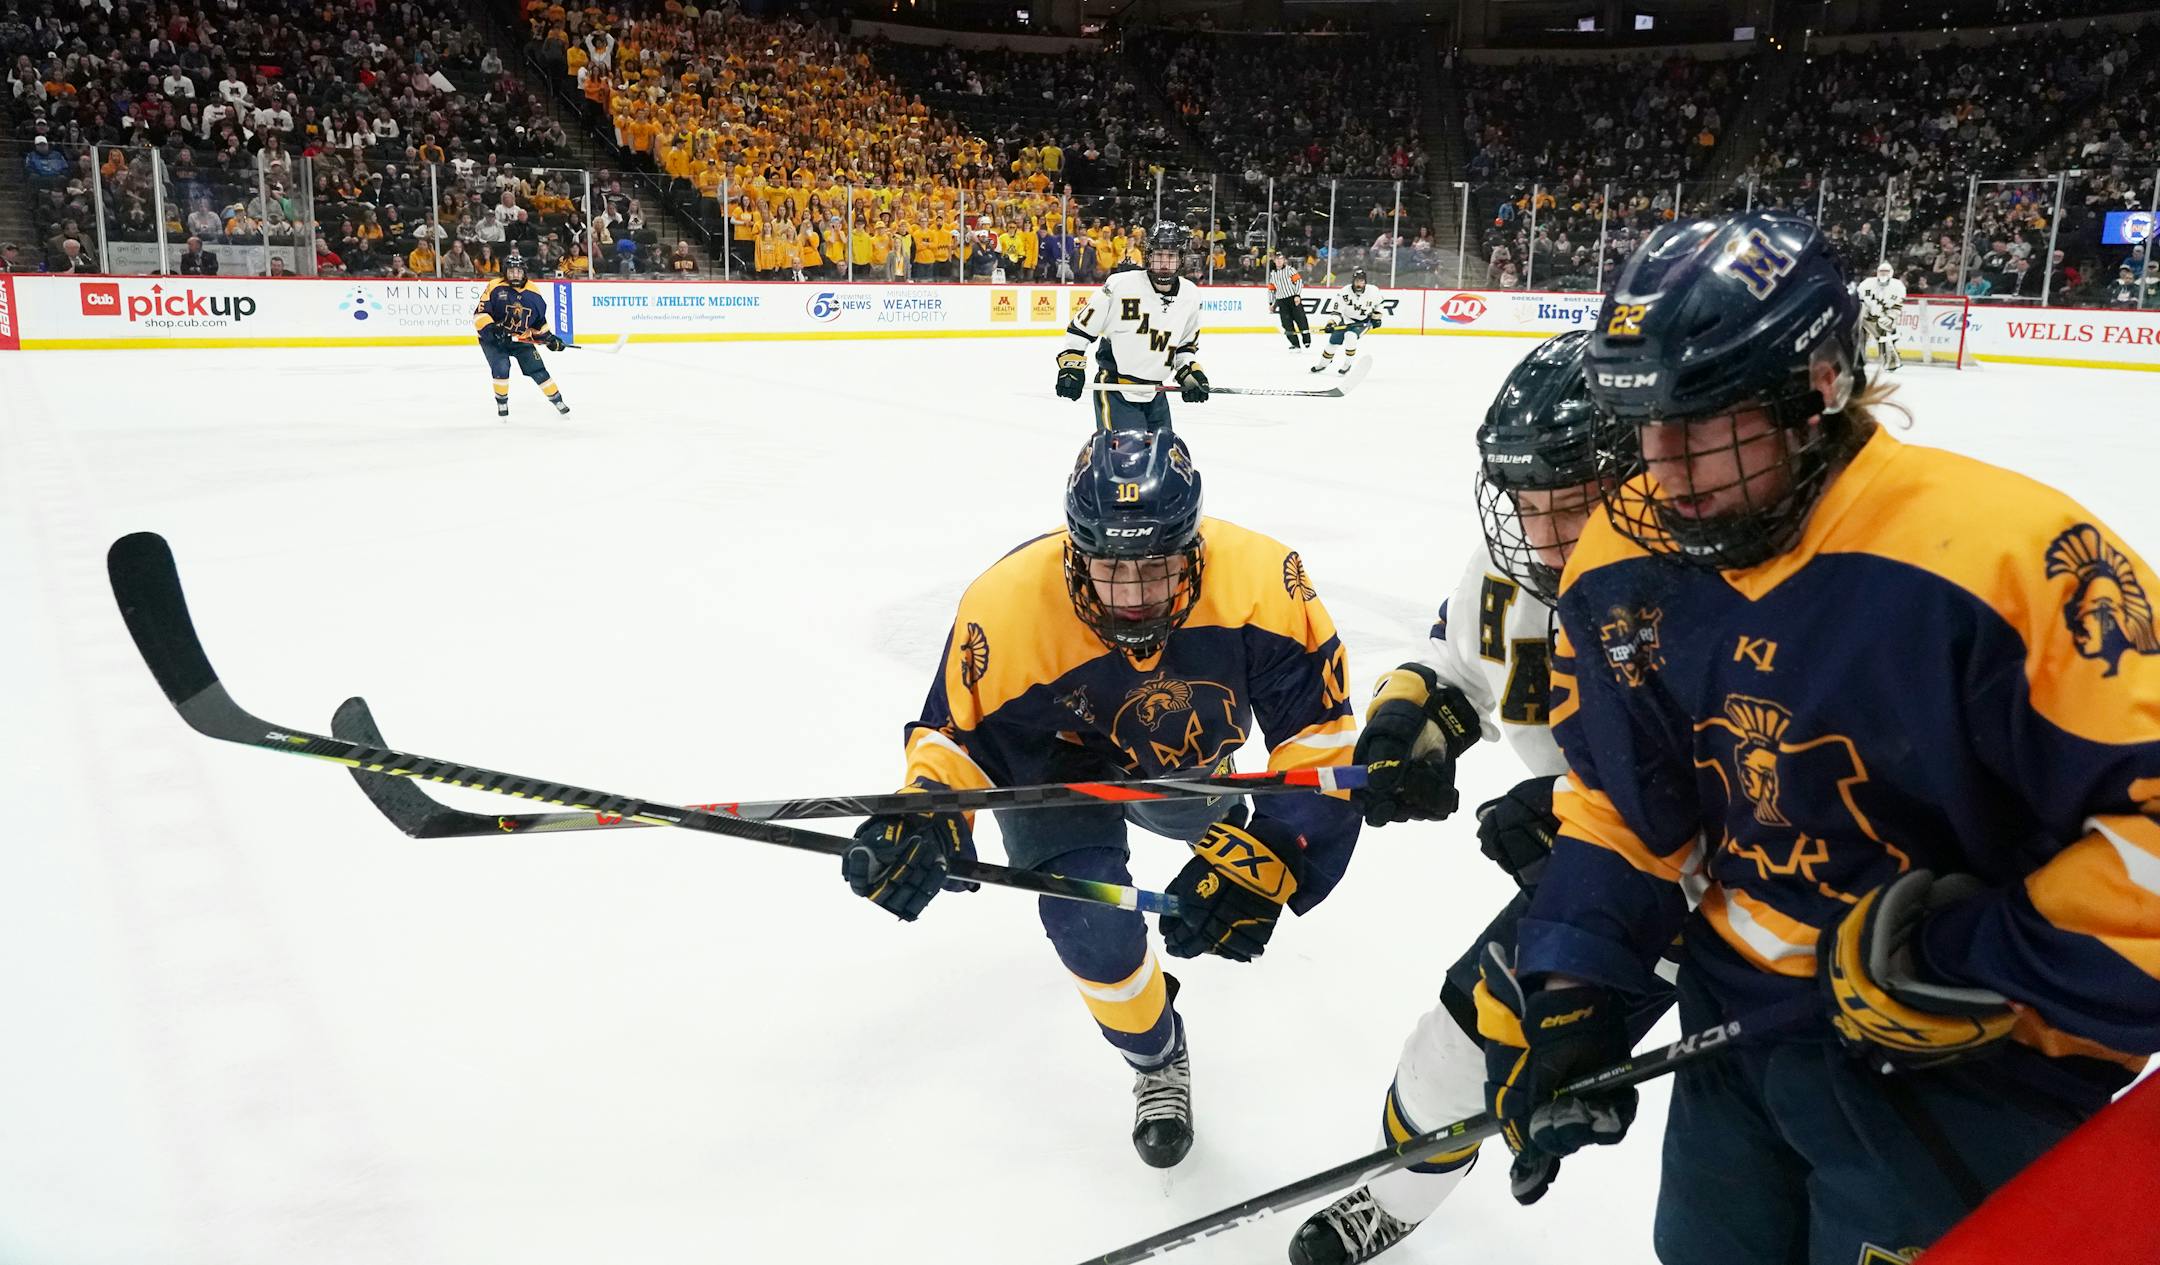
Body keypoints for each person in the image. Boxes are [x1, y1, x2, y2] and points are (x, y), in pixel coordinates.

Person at [1479, 209, 2160, 1264]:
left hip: (1973, 1069)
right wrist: (1578, 988)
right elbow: (1624, 800)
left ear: (1816, 388)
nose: (1666, 469)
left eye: (1702, 423)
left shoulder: (2010, 559)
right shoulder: (1622, 558)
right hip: (1735, 1030)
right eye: (1643, 429)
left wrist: (1971, 959)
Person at [841, 428, 1361, 1169]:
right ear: (1074, 550)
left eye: (1157, 568)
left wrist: (1279, 847)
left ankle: (1222, 827)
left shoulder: (1264, 580)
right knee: (1086, 923)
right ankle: (1157, 1059)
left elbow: (1321, 737)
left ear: (1195, 546)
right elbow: (953, 737)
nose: (1134, 595)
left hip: (1183, 763)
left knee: (1208, 823)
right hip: (1058, 769)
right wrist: (925, 814)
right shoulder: (1006, 605)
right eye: (1111, 567)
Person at [1286, 331, 1673, 1264]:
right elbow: (1459, 666)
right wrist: (1411, 720)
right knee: (1456, 1048)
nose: (1541, 536)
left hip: (1746, 895)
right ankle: (1395, 1193)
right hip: (1598, 875)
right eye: (1526, 505)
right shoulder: (1512, 572)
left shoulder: (1713, 586)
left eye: (1571, 506)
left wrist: (1583, 809)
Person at [1057, 221, 1209, 430]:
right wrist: (1071, 366)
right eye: (1158, 256)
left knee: (1164, 458)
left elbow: (1184, 348)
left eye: (1171, 257)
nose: (1164, 263)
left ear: (1181, 259)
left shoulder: (1190, 296)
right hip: (1114, 388)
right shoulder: (1120, 285)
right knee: (1124, 458)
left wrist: (1191, 374)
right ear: (1148, 256)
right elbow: (1081, 329)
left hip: (1156, 393)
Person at [471, 251, 570, 420]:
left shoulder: (533, 293)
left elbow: (539, 322)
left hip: (520, 338)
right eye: (511, 271)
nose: (514, 274)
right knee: (501, 367)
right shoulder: (495, 286)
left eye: (518, 271)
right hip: (494, 339)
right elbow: (480, 315)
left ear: (524, 272)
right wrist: (493, 329)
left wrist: (550, 339)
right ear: (505, 272)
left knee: (537, 369)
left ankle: (558, 400)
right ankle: (502, 403)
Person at [1313, 268, 1384, 375]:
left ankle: (1347, 364)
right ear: (1353, 281)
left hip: (1363, 321)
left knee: (1351, 336)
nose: (1359, 284)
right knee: (1333, 343)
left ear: (1365, 282)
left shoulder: (1373, 291)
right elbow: (1337, 312)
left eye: (1361, 281)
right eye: (1357, 281)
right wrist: (1331, 323)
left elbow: (1380, 303)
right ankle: (1323, 363)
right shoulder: (1344, 292)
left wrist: (1377, 317)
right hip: (1346, 320)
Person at [1858, 258, 1907, 371]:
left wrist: (1890, 317)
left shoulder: (1898, 286)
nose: (1883, 274)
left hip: (1885, 317)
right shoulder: (1867, 284)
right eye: (1881, 271)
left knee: (1886, 338)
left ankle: (1891, 362)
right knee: (1859, 338)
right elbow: (1860, 300)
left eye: (1886, 272)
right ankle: (1858, 361)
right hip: (1866, 316)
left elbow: (1897, 305)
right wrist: (1863, 312)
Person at [1267, 250, 1311, 352]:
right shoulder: (1273, 274)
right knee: (1286, 323)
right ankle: (1295, 344)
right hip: (1281, 301)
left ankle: (1306, 340)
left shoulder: (1290, 270)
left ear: (1284, 260)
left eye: (1280, 259)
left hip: (1293, 299)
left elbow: (1299, 282)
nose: (1278, 261)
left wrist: (1297, 295)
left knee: (1301, 319)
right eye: (1277, 259)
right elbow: (1271, 289)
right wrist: (1271, 303)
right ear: (1274, 261)